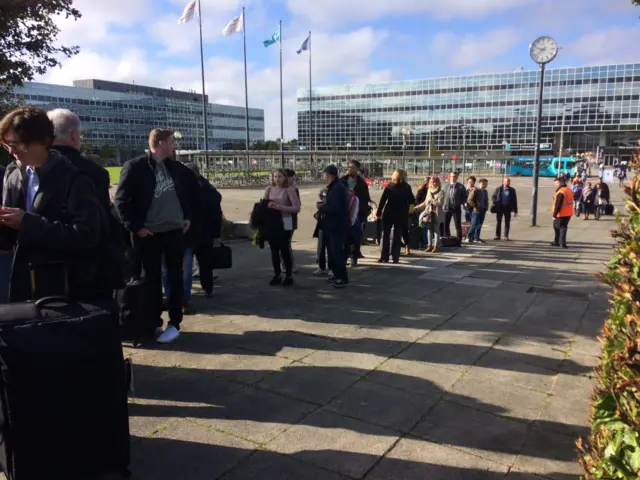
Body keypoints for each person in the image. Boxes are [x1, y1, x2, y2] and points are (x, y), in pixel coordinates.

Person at [0, 105, 107, 302]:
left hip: (65, 287)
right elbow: (8, 239)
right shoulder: (13, 173)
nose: (12, 152)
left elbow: (87, 235)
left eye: (17, 145)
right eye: (7, 145)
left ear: (42, 141)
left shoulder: (75, 178)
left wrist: (27, 223)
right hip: (22, 285)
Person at [114, 128, 193, 344]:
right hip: (148, 234)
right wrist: (136, 227)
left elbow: (186, 192)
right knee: (151, 280)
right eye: (171, 142)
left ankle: (175, 323)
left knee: (175, 278)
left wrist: (187, 216)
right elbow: (120, 201)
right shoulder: (136, 167)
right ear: (160, 143)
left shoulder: (174, 168)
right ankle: (153, 322)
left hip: (174, 231)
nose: (174, 146)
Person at [263, 169, 300, 286]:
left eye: (279, 177)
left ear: (284, 178)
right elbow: (263, 205)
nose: (277, 179)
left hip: (286, 221)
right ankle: (277, 274)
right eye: (275, 176)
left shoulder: (290, 190)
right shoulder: (269, 189)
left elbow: (296, 208)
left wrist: (280, 207)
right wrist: (267, 205)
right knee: (274, 250)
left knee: (284, 248)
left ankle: (289, 276)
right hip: (273, 222)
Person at [317, 165, 349, 288]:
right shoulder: (335, 187)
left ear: (329, 175)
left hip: (336, 224)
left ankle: (342, 277)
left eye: (324, 175)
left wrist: (321, 207)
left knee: (337, 252)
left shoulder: (337, 188)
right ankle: (336, 274)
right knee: (332, 251)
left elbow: (335, 207)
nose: (323, 177)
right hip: (332, 224)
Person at [376, 169, 415, 263]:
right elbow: (412, 201)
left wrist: (379, 211)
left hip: (389, 212)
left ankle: (384, 256)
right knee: (397, 235)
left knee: (386, 235)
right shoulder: (406, 187)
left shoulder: (389, 186)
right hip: (401, 213)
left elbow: (382, 200)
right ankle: (395, 256)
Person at [341, 160, 371, 262]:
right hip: (343, 213)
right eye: (349, 167)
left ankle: (354, 257)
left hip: (356, 214)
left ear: (357, 169)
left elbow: (365, 199)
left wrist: (362, 213)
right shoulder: (342, 181)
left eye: (352, 168)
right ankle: (344, 257)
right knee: (344, 237)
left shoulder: (362, 184)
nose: (350, 169)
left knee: (356, 236)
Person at [419, 176, 445, 253]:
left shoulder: (441, 192)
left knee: (436, 230)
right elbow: (425, 202)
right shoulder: (429, 190)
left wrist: (432, 200)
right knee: (429, 230)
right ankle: (429, 246)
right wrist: (417, 207)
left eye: (435, 182)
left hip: (436, 213)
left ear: (438, 183)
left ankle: (436, 246)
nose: (433, 183)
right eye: (431, 182)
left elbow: (440, 203)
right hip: (429, 212)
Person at [283, 169, 300, 274]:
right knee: (284, 243)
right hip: (282, 218)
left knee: (286, 242)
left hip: (289, 218)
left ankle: (289, 265)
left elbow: (297, 206)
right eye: (292, 177)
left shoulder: (294, 189)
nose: (294, 179)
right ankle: (286, 264)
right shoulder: (278, 188)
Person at [443, 171, 467, 240]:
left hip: (456, 208)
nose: (453, 178)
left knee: (457, 225)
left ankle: (458, 240)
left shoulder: (460, 186)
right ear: (449, 177)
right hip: (447, 207)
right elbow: (441, 195)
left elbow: (464, 196)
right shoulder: (445, 185)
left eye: (454, 176)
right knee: (446, 224)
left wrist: (464, 202)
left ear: (457, 177)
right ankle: (446, 238)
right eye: (452, 176)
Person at [551, 177, 573, 249]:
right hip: (568, 213)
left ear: (560, 183)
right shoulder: (568, 190)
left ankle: (559, 242)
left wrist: (554, 215)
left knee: (557, 227)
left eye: (556, 184)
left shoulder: (561, 192)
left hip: (561, 214)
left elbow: (558, 204)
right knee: (563, 227)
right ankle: (560, 242)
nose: (555, 185)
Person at [465, 178, 489, 244]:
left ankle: (476, 237)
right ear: (481, 184)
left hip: (483, 210)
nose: (486, 185)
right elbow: (469, 200)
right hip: (476, 210)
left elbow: (486, 200)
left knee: (479, 224)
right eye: (485, 183)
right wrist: (475, 206)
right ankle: (468, 237)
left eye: (486, 184)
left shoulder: (485, 191)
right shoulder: (476, 190)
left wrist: (486, 207)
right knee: (474, 224)